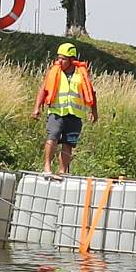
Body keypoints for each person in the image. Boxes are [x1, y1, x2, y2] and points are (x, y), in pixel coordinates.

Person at [31, 42, 98, 176]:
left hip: (74, 115)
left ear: (72, 60)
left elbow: (91, 92)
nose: (59, 61)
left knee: (68, 144)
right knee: (52, 137)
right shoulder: (53, 72)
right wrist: (36, 108)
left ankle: (62, 172)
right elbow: (43, 90)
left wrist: (94, 111)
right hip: (56, 113)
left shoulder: (81, 74)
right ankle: (47, 168)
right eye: (59, 58)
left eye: (63, 58)